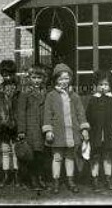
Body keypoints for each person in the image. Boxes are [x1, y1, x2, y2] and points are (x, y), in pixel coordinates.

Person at [42, 63, 90, 194]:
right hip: (57, 132)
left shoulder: (74, 96)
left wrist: (84, 128)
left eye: (66, 78)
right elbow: (47, 113)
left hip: (72, 132)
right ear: (56, 80)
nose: (64, 81)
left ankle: (70, 181)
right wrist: (48, 130)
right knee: (57, 157)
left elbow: (81, 113)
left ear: (70, 79)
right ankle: (56, 182)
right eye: (61, 79)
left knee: (70, 157)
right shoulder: (51, 96)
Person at [17, 65, 48, 190]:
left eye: (39, 78)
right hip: (30, 128)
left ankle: (40, 177)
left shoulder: (45, 92)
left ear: (43, 79)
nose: (36, 80)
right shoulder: (25, 92)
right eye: (34, 77)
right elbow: (21, 112)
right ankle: (32, 179)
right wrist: (21, 130)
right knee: (32, 155)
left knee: (40, 154)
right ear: (29, 78)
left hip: (42, 127)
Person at [86, 70, 112, 192]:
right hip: (96, 133)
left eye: (106, 85)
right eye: (101, 85)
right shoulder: (93, 100)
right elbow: (88, 115)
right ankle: (95, 180)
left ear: (110, 86)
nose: (103, 87)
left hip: (109, 133)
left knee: (107, 156)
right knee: (95, 157)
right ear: (96, 86)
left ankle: (108, 179)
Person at [0, 59, 20, 187]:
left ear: (14, 74)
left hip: (16, 125)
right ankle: (6, 176)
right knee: (5, 150)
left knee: (15, 150)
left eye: (9, 74)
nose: (7, 77)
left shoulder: (19, 89)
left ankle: (17, 176)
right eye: (4, 75)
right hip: (2, 125)